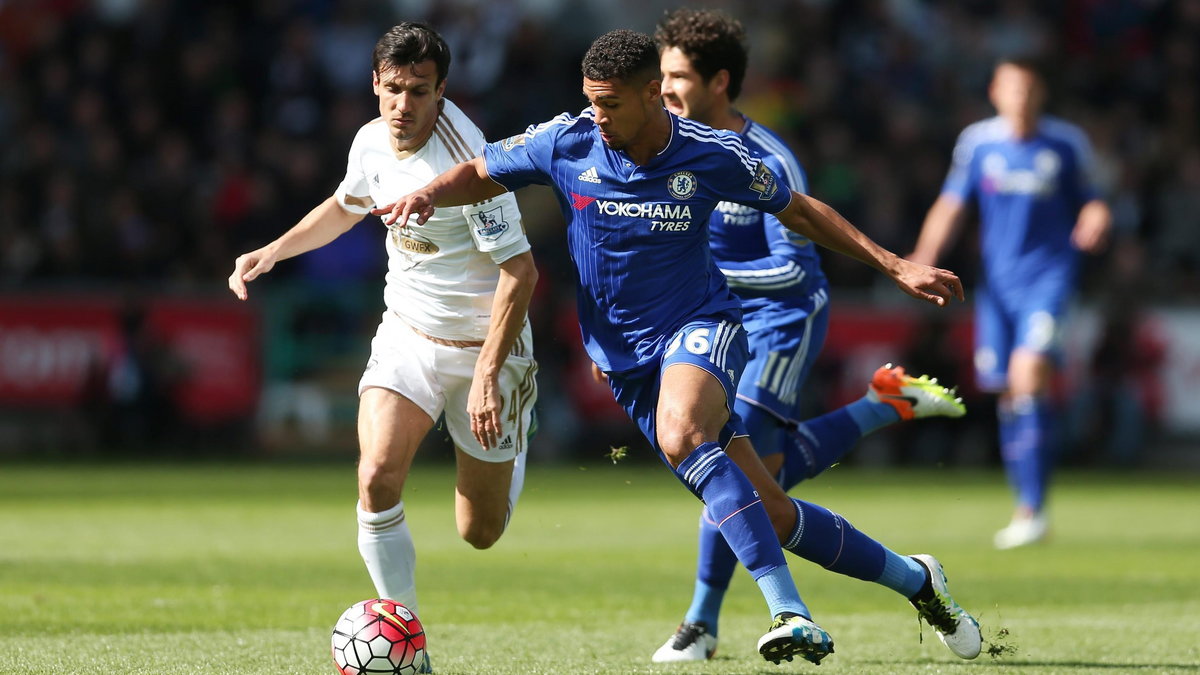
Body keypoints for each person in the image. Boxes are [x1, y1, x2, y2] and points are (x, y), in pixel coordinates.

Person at [374, 29, 976, 666]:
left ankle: (788, 611)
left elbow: (797, 210)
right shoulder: (567, 141)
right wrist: (427, 193)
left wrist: (895, 265)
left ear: (652, 95)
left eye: (609, 103)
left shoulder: (709, 153)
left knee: (683, 431)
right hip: (626, 363)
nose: (596, 116)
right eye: (590, 101)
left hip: (702, 327)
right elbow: (480, 170)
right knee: (768, 512)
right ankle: (919, 582)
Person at [648, 8, 974, 663]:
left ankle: (701, 622)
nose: (664, 90)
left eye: (677, 77)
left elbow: (789, 266)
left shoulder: (767, 159)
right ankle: (884, 408)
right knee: (751, 483)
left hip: (781, 323)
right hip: (716, 328)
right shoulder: (666, 150)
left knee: (734, 474)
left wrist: (709, 278)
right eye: (661, 77)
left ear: (719, 81)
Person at [227, 23, 539, 672]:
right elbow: (347, 205)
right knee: (375, 475)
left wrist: (486, 377)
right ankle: (407, 643)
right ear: (375, 83)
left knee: (479, 533)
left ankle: (514, 443)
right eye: (393, 89)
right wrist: (274, 250)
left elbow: (521, 273)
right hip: (408, 334)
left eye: (419, 92)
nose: (404, 105)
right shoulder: (371, 141)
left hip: (487, 350)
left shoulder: (469, 162)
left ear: (442, 91)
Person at [910, 57, 1112, 549]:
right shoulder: (979, 143)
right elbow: (953, 203)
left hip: (1048, 280)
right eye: (1011, 88)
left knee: (1028, 376)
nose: (1020, 97)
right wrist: (921, 258)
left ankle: (1033, 507)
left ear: (1040, 93)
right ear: (996, 92)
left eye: (1029, 88)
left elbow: (1093, 196)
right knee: (1007, 392)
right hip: (997, 288)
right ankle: (1026, 503)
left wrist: (1096, 215)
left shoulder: (1064, 143)